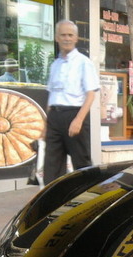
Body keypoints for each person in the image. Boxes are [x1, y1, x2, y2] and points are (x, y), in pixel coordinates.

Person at [43, 19, 99, 184]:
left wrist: (79, 120)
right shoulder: (55, 65)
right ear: (56, 38)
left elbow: (90, 94)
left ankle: (87, 201)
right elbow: (51, 96)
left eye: (70, 35)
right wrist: (46, 125)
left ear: (76, 38)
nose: (66, 38)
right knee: (51, 167)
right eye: (63, 35)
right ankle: (52, 204)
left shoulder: (84, 63)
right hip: (55, 117)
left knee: (82, 166)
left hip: (75, 115)